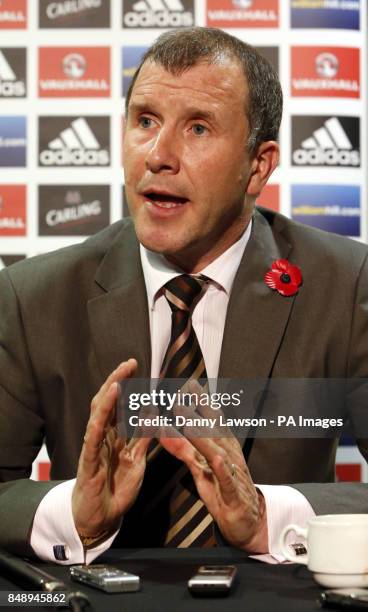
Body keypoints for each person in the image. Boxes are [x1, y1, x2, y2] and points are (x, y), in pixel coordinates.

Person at [0, 27, 367, 565]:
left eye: (198, 128)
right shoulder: (34, 296)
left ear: (258, 166)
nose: (159, 155)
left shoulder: (345, 283)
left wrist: (269, 517)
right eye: (145, 121)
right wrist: (73, 514)